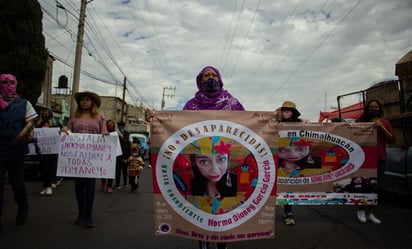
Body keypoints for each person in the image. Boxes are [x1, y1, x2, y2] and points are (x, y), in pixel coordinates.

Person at [183, 66, 244, 249]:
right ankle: (202, 242)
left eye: (213, 74)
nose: (210, 78)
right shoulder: (191, 106)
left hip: (223, 155)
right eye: (206, 75)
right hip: (199, 156)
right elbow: (177, 128)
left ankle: (222, 243)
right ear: (199, 80)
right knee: (200, 206)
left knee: (223, 206)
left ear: (220, 78)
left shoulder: (232, 103)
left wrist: (272, 119)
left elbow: (248, 126)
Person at [61, 91, 108, 228]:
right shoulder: (73, 117)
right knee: (78, 187)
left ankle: (88, 216)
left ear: (92, 102)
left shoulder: (100, 117)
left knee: (90, 187)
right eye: (82, 100)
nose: (84, 102)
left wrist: (108, 138)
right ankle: (81, 214)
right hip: (77, 158)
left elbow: (103, 133)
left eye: (87, 100)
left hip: (93, 158)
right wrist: (64, 132)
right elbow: (69, 132)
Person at [0, 74, 38, 231]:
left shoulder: (24, 103)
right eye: (4, 82)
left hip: (17, 149)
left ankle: (23, 206)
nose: (8, 85)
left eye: (11, 82)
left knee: (17, 182)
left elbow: (30, 123)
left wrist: (29, 133)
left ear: (16, 84)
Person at [356, 99, 395, 224]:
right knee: (363, 185)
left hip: (379, 159)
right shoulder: (360, 122)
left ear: (379, 109)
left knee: (376, 187)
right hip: (363, 160)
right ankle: (361, 210)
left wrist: (382, 127)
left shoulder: (385, 122)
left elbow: (392, 139)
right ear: (367, 109)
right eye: (371, 107)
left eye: (376, 107)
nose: (374, 109)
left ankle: (371, 212)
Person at [276, 100, 304, 225]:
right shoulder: (276, 123)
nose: (286, 112)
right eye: (284, 110)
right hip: (279, 158)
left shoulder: (300, 124)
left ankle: (289, 211)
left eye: (288, 110)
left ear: (293, 113)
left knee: (289, 186)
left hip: (294, 159)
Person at [36, 108, 60, 196]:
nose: (45, 115)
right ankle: (44, 187)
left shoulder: (55, 124)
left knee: (50, 169)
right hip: (42, 151)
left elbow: (60, 134)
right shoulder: (38, 125)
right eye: (44, 113)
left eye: (47, 113)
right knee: (43, 169)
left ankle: (49, 186)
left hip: (52, 151)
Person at [100, 119, 117, 194]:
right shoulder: (102, 132)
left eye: (112, 124)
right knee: (102, 170)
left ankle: (109, 186)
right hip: (103, 155)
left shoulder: (116, 134)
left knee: (111, 171)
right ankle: (103, 182)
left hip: (112, 156)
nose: (110, 125)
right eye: (109, 124)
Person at [114, 121, 130, 189]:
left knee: (124, 170)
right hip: (118, 155)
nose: (121, 127)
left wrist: (128, 156)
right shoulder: (116, 134)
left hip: (125, 155)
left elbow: (129, 145)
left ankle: (125, 183)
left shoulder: (127, 134)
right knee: (117, 170)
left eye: (122, 126)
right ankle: (117, 184)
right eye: (120, 126)